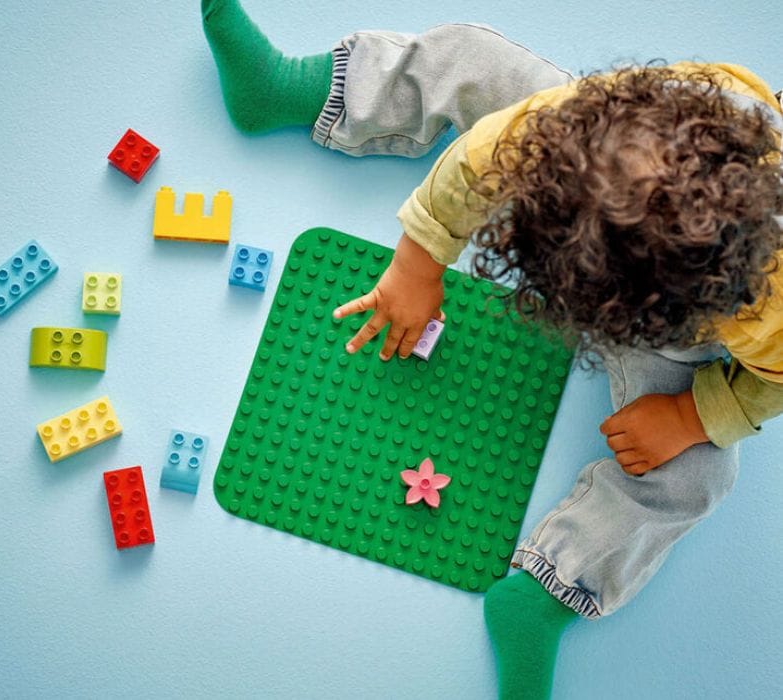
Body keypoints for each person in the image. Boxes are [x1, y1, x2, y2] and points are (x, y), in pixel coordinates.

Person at [202, 1, 783, 697]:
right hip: (622, 208)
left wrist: (691, 417)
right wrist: (416, 264)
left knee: (697, 478)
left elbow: (771, 382)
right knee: (475, 60)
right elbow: (480, 158)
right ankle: (299, 90)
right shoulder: (603, 123)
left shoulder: (769, 305)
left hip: (689, 335)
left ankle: (546, 593)